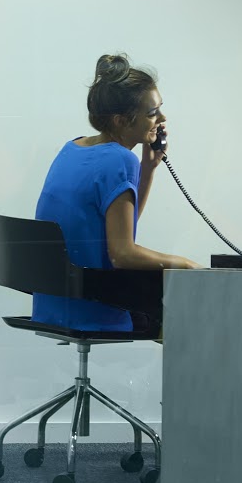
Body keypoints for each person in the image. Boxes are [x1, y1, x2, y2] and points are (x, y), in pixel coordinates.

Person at [32, 53, 200, 334]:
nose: (162, 118)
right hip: (92, 306)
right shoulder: (119, 160)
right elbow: (122, 254)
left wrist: (148, 169)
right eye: (152, 113)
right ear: (122, 120)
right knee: (191, 314)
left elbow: (122, 229)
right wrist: (185, 264)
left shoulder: (72, 148)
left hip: (55, 304)